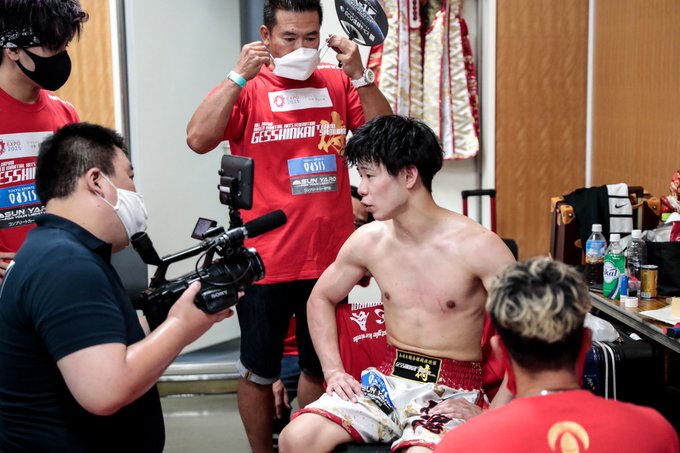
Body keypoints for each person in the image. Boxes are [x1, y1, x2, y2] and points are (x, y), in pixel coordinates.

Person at [186, 1, 392, 451]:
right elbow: (198, 138)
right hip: (265, 261)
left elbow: (386, 138)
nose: (302, 47)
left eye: (311, 37)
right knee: (258, 371)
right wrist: (237, 75)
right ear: (266, 37)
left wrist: (360, 75)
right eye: (289, 38)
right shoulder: (249, 87)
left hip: (331, 258)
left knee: (321, 369)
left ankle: (305, 445)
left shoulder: (336, 81)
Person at [279, 115, 516, 452]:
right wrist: (333, 372)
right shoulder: (369, 240)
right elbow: (320, 298)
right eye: (360, 177)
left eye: (369, 176)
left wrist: (495, 413)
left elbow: (532, 336)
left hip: (453, 392)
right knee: (295, 438)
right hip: (387, 383)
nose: (361, 189)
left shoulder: (479, 246)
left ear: (408, 176)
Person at [0, 123, 234, 451]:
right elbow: (105, 390)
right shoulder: (65, 264)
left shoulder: (58, 249)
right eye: (130, 176)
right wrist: (182, 326)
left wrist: (163, 316)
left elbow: (101, 343)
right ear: (97, 181)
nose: (136, 192)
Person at [435, 258, 679, 452]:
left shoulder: (462, 444)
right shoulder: (655, 432)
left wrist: (485, 421)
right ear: (586, 342)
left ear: (501, 351)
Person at [272, 185, 374, 444]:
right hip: (284, 358)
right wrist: (271, 377)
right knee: (273, 409)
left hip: (325, 357)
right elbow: (256, 335)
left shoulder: (352, 259)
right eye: (344, 221)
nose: (350, 231)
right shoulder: (291, 259)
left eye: (357, 224)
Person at [0, 0, 88, 278]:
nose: (61, 56)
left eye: (64, 45)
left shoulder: (66, 114)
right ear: (13, 49)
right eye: (52, 45)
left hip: (57, 274)